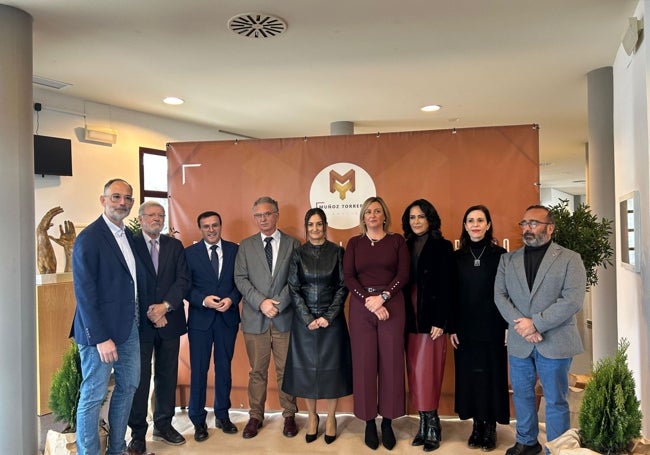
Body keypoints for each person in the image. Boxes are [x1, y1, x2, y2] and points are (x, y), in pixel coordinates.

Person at [495, 205, 586, 455]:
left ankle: (556, 448)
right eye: (523, 224)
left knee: (556, 400)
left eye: (533, 223)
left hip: (555, 341)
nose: (527, 229)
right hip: (520, 342)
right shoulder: (508, 259)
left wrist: (536, 323)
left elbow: (572, 300)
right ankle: (527, 441)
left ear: (550, 228)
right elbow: (500, 297)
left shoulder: (570, 258)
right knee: (522, 395)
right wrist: (524, 327)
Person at [71, 178, 145, 455]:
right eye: (116, 197)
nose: (122, 203)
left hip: (129, 327)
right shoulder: (90, 238)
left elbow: (130, 283)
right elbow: (85, 293)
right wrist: (101, 338)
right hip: (99, 334)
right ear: (103, 200)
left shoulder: (127, 236)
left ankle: (117, 449)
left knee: (128, 388)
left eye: (128, 198)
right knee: (93, 396)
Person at [343, 196, 410, 451]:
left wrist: (382, 298)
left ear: (385, 216)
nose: (372, 215)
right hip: (362, 307)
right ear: (363, 216)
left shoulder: (396, 241)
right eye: (368, 211)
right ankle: (370, 422)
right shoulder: (354, 243)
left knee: (392, 363)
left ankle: (388, 423)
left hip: (391, 304)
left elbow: (403, 274)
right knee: (364, 364)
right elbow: (349, 277)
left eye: (377, 211)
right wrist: (368, 301)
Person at [282, 208, 352, 445]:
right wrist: (308, 317)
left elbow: (343, 287)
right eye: (310, 225)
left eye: (319, 224)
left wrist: (328, 317)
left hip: (332, 323)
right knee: (306, 373)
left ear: (325, 225)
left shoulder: (338, 252)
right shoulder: (298, 254)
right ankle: (312, 417)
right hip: (305, 324)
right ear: (306, 227)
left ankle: (330, 418)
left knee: (332, 372)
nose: (315, 229)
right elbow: (293, 287)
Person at [234, 197, 301, 439]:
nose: (263, 219)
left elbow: (295, 279)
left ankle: (289, 415)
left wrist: (278, 304)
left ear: (277, 215)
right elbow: (240, 278)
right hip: (255, 318)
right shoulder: (246, 245)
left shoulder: (293, 244)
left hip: (284, 319)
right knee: (257, 371)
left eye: (267, 214)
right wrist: (261, 302)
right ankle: (255, 416)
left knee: (286, 370)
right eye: (258, 215)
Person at [127, 201, 190, 454]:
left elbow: (183, 280)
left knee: (167, 376)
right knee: (139, 379)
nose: (156, 218)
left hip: (169, 321)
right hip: (139, 323)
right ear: (140, 219)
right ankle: (138, 433)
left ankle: (164, 425)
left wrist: (164, 306)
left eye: (160, 215)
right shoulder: (130, 244)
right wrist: (151, 312)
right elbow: (128, 281)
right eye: (151, 215)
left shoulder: (174, 246)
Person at [449, 205, 508, 452]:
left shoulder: (501, 255)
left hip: (494, 326)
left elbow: (508, 292)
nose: (475, 224)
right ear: (464, 226)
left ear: (488, 224)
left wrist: (507, 325)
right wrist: (451, 327)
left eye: (480, 220)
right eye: (470, 220)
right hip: (465, 327)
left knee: (491, 377)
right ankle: (476, 426)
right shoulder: (457, 257)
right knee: (470, 377)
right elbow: (451, 295)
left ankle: (491, 427)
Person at [401, 199, 455, 452]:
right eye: (412, 217)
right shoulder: (404, 245)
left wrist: (441, 321)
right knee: (414, 372)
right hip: (409, 317)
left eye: (421, 216)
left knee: (428, 373)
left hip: (431, 319)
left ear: (430, 218)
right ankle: (423, 424)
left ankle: (434, 425)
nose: (416, 221)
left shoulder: (443, 247)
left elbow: (448, 286)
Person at [185, 211, 242, 442]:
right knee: (199, 371)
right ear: (200, 228)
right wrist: (202, 300)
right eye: (206, 226)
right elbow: (185, 286)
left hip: (226, 320)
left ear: (221, 225)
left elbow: (241, 281)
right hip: (200, 320)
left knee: (224, 370)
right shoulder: (189, 253)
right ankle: (198, 420)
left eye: (215, 225)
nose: (211, 229)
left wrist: (232, 299)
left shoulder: (234, 250)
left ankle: (222, 415)